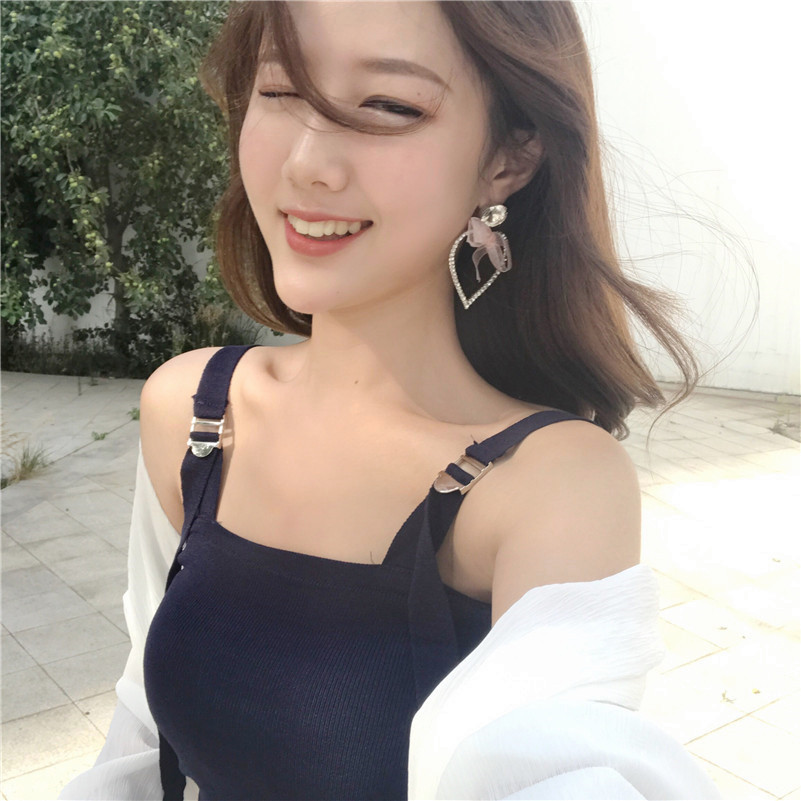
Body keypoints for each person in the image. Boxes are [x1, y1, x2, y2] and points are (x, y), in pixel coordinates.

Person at [58, 2, 721, 799]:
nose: (308, 162)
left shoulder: (549, 487)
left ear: (507, 159)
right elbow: (142, 730)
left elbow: (553, 763)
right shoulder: (196, 412)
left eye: (388, 106)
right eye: (280, 90)